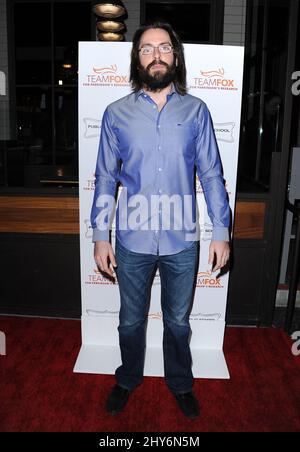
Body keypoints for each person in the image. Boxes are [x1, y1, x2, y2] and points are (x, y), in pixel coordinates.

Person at [91, 21, 230, 419]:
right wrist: (101, 235)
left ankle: (180, 383)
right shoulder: (115, 113)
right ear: (137, 58)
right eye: (147, 48)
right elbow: (104, 177)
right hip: (131, 239)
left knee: (178, 323)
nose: (156, 55)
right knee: (130, 322)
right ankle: (128, 378)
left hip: (182, 239)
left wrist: (221, 231)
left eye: (164, 48)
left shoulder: (197, 111)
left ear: (175, 56)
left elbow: (211, 176)